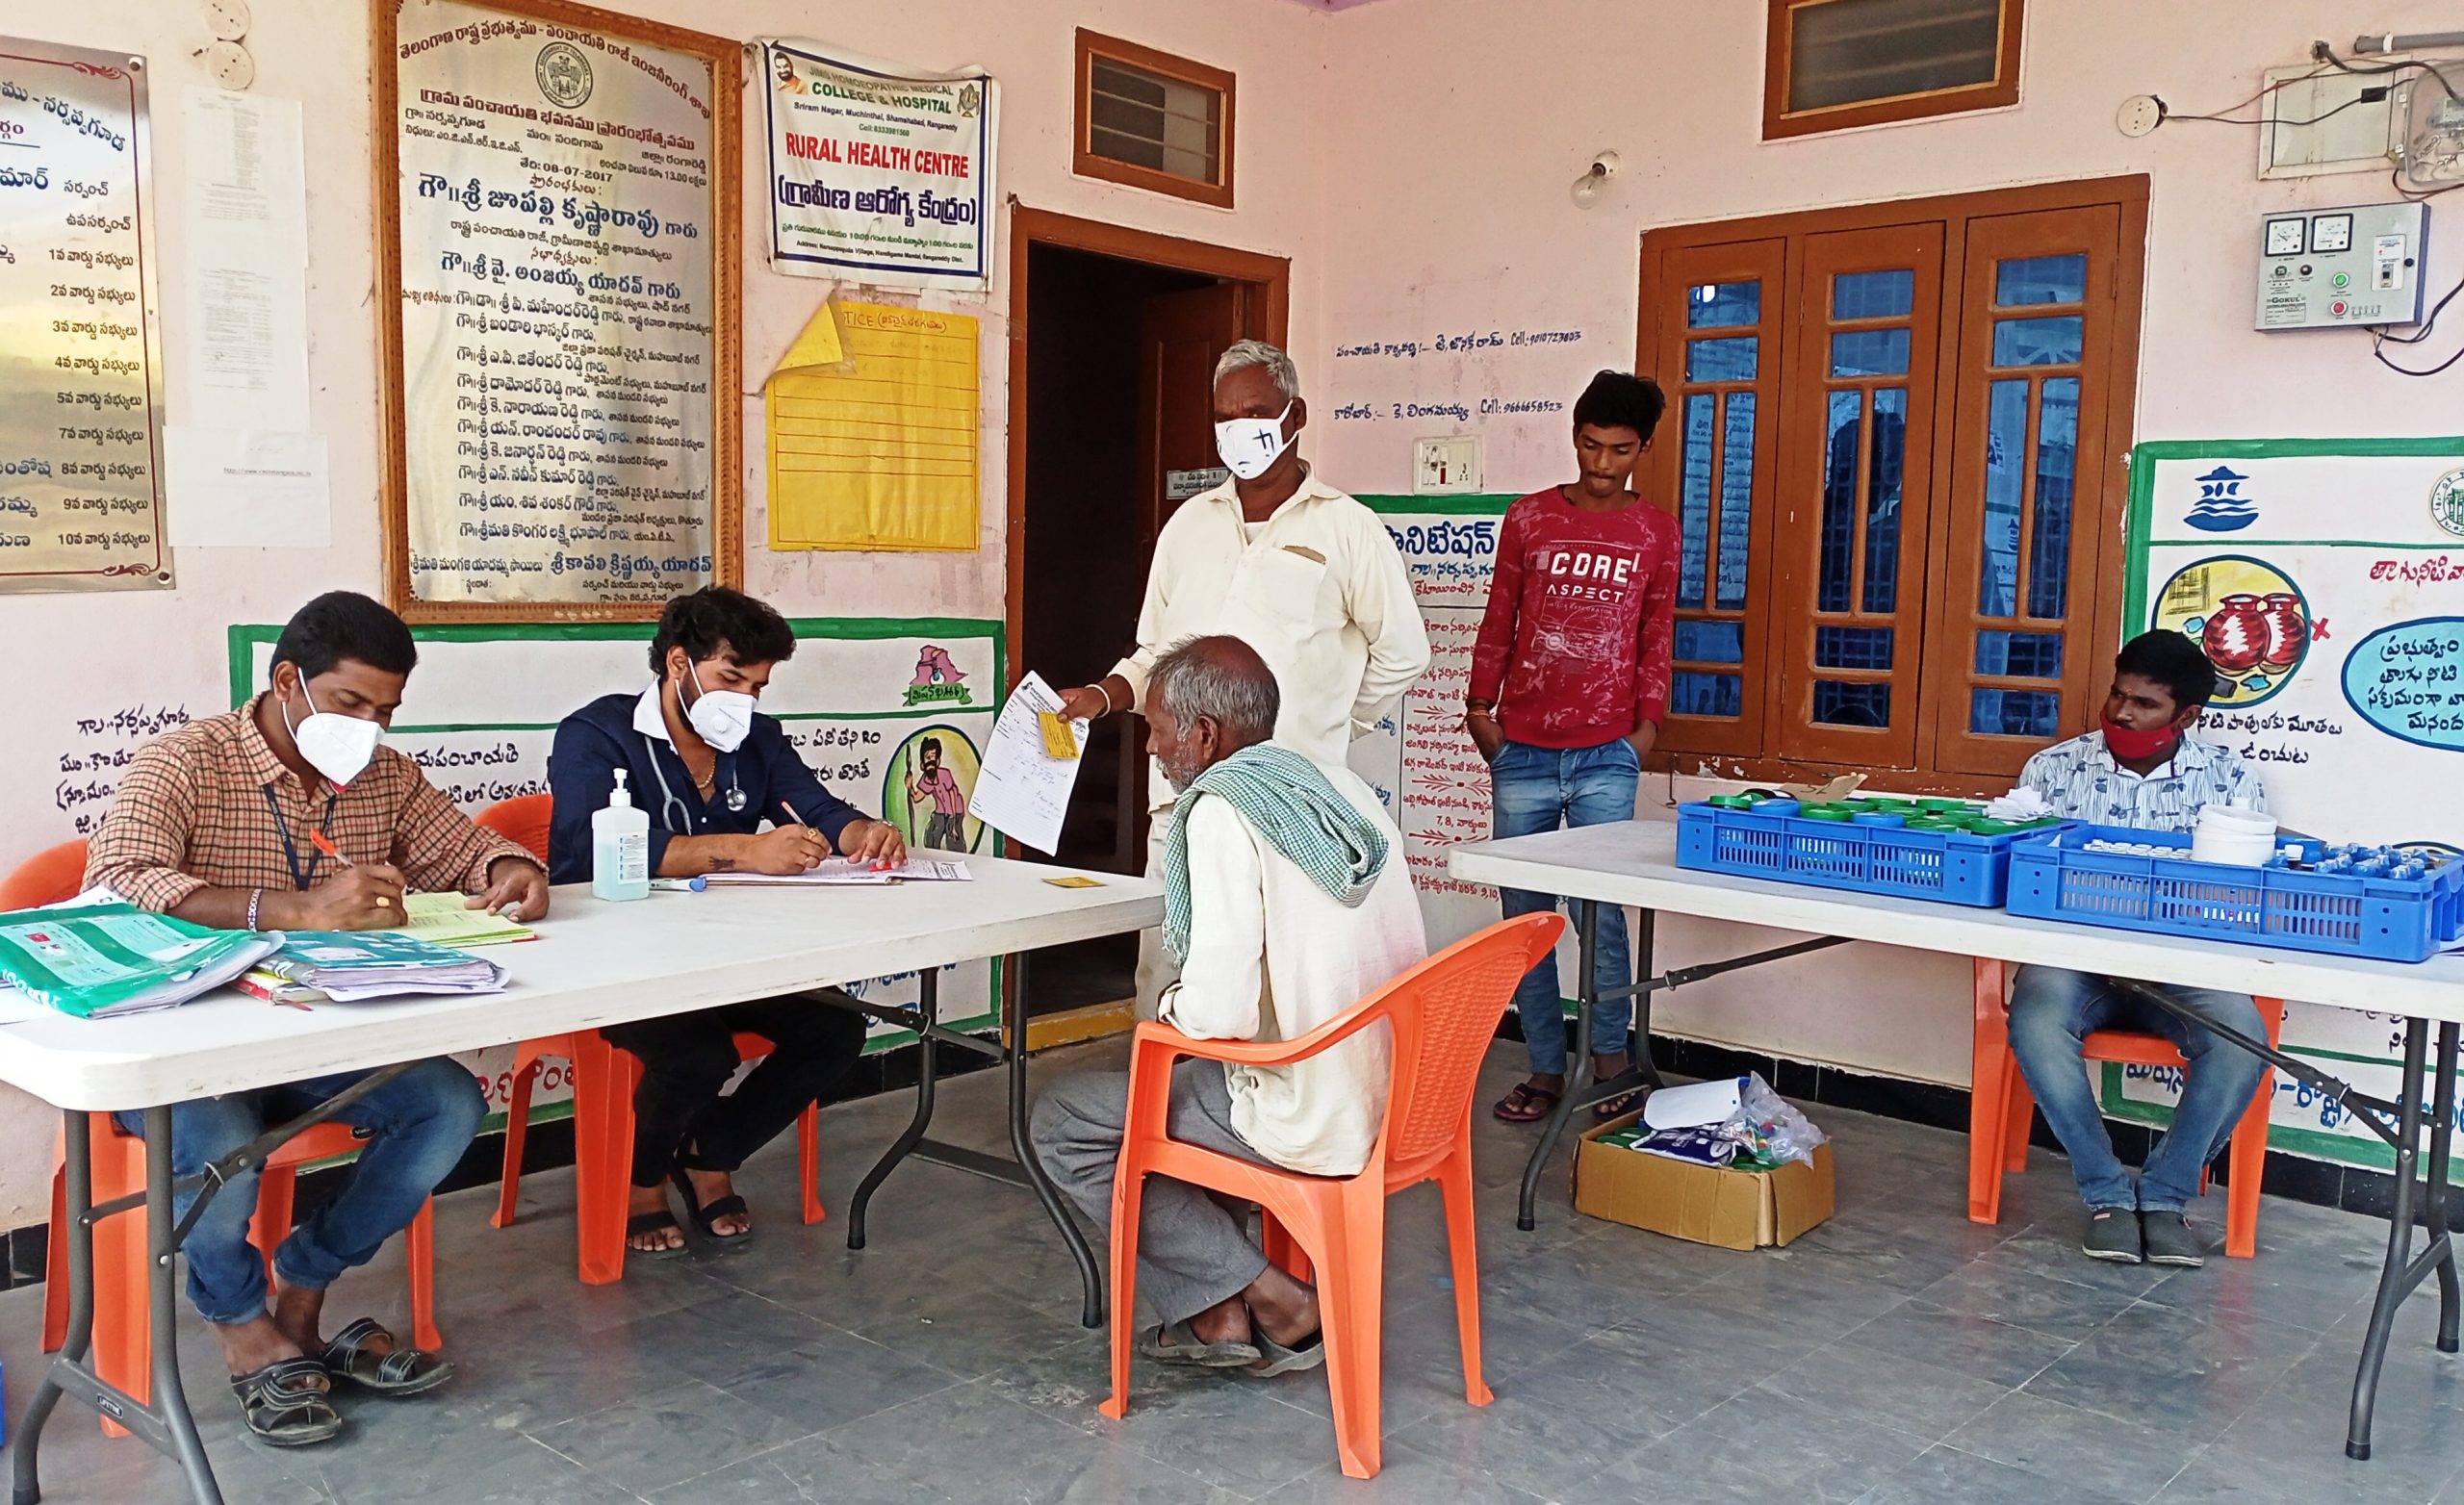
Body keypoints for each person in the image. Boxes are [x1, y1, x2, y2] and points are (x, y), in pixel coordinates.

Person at [84, 591, 548, 1446]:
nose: (368, 727)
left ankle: (303, 1286)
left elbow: (462, 844)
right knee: (219, 1137)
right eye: (350, 704)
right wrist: (287, 908)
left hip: (315, 1037)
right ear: (289, 679)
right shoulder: (183, 762)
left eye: (386, 710)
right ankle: (238, 1325)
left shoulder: (383, 774)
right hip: (183, 1045)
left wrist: (512, 864)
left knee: (445, 1105)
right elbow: (120, 881)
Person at [1033, 636, 1427, 1372]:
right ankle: (1217, 1316)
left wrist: (1169, 1011)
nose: (1149, 748)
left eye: (1155, 728)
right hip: (1401, 1094)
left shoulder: (1222, 811)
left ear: (1204, 733)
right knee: (1177, 1092)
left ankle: (1275, 1296)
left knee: (1068, 1120)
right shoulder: (1335, 785)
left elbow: (1220, 1017)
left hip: (1310, 1107)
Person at [1050, 340, 1430, 1016]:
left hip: (1289, 802)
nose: (1239, 430)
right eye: (1226, 416)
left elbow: (1402, 653)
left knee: (1274, 979)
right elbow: (1153, 656)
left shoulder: (1347, 527)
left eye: (1255, 411)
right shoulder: (1188, 526)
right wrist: (1104, 696)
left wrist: (1332, 727)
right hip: (1184, 800)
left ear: (1296, 414)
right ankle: (1159, 1106)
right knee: (1167, 964)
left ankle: (1254, 1113)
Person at [548, 587, 898, 1255]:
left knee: (836, 1031)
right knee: (697, 1054)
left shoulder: (755, 739)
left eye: (758, 686)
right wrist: (745, 848)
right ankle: (643, 1178)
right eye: (730, 678)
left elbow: (813, 803)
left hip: (725, 956)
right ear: (679, 664)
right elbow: (591, 850)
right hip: (614, 958)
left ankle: (710, 1154)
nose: (745, 700)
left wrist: (859, 832)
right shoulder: (595, 735)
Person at [2009, 630, 2272, 1268]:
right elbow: (2019, 870)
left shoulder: (2231, 783)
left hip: (2181, 969)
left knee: (2243, 1039)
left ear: (2188, 715)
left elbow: (2242, 897)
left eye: (2144, 704)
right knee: (2036, 1021)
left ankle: (2164, 1198)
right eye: (2117, 694)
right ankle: (2106, 1196)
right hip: (2074, 962)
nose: (2122, 712)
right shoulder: (2053, 770)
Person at [1465, 370, 1677, 1125]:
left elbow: (1657, 630)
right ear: (1575, 436)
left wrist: (1645, 725)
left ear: (1641, 448)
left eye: (1619, 450)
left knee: (1603, 916)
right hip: (1519, 743)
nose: (1600, 464)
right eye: (1589, 445)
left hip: (1606, 750)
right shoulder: (1529, 519)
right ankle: (1547, 1067)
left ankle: (1611, 1057)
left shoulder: (1656, 530)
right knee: (1524, 919)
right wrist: (1477, 706)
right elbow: (1500, 616)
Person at [905, 736, 970, 852]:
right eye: (927, 757)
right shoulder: (926, 779)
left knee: (954, 838)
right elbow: (916, 797)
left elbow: (952, 795)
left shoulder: (945, 774)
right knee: (931, 835)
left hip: (955, 810)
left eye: (933, 757)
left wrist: (953, 821)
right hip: (940, 811)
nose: (930, 760)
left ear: (938, 760)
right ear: (922, 762)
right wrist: (909, 786)